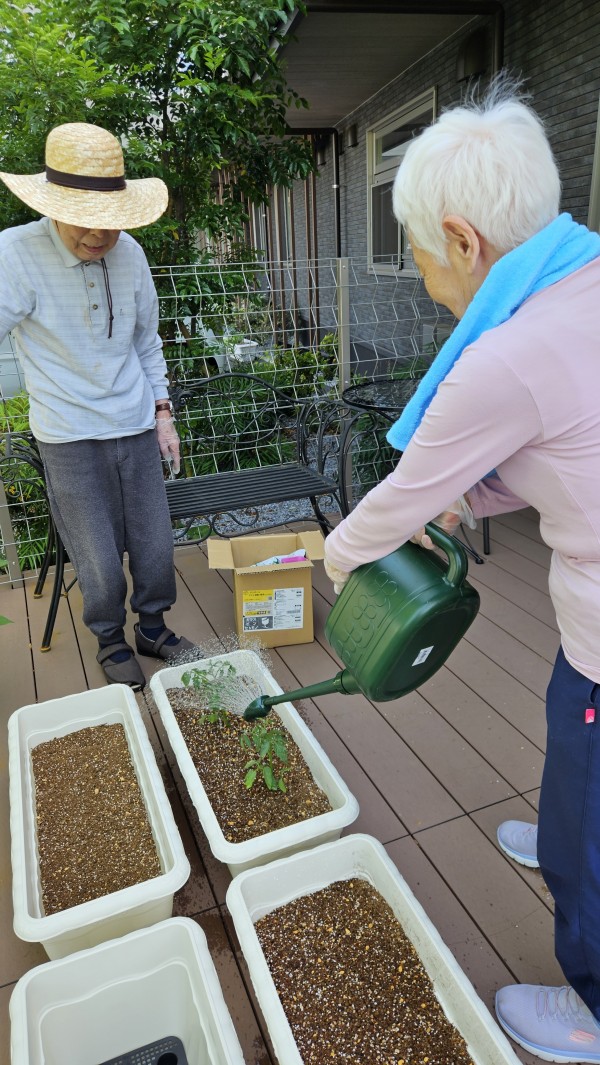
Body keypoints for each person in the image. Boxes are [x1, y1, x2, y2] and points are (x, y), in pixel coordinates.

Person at [323, 80, 600, 1062]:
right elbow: (573, 451)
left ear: (463, 239)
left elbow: (401, 497)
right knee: (572, 739)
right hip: (585, 624)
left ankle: (593, 1003)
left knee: (590, 793)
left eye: (420, 255)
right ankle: (565, 834)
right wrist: (474, 498)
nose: (425, 277)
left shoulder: (509, 354)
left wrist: (337, 556)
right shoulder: (582, 283)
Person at [0, 122, 198, 690]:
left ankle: (153, 628)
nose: (99, 234)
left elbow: (146, 341)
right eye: (84, 220)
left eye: (110, 221)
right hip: (67, 433)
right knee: (97, 555)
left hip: (134, 422)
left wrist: (163, 413)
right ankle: (110, 639)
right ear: (52, 208)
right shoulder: (15, 254)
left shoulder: (130, 253)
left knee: (155, 542)